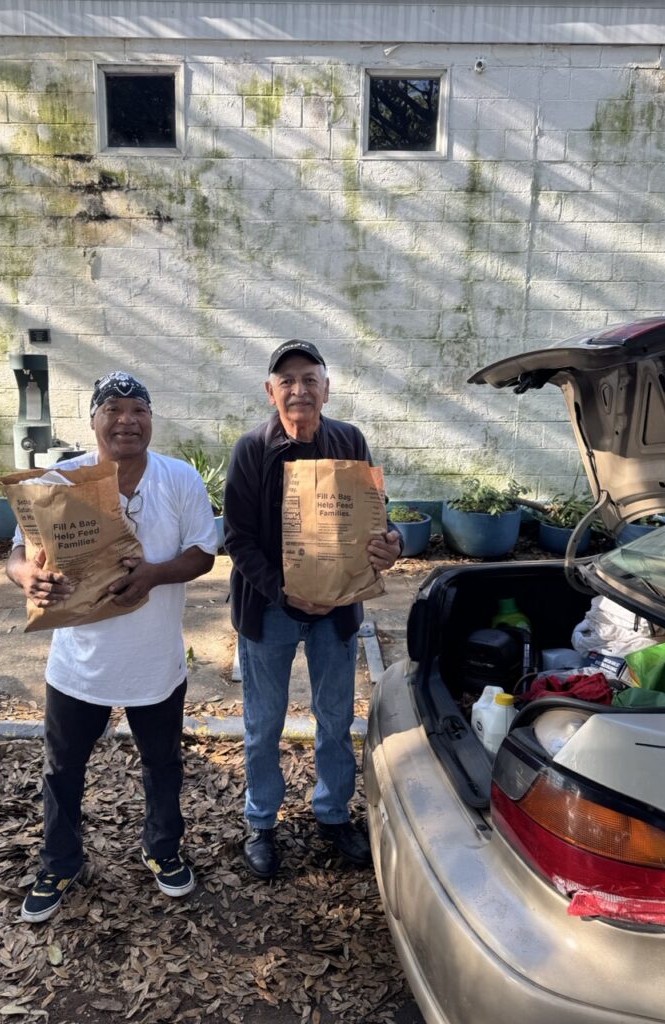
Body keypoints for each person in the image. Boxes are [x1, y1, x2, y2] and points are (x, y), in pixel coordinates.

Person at [6, 371, 217, 923]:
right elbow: (17, 554)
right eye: (113, 410)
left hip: (156, 660)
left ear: (152, 418)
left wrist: (153, 575)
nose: (127, 420)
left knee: (163, 762)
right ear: (94, 420)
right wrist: (29, 578)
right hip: (80, 663)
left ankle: (162, 847)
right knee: (63, 767)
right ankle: (60, 861)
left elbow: (203, 553)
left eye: (139, 409)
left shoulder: (179, 477)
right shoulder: (61, 481)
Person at [223, 341, 401, 879]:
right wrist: (283, 591)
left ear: (326, 387)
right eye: (287, 381)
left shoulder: (350, 441)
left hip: (338, 609)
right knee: (263, 722)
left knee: (334, 718)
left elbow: (375, 519)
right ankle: (261, 822)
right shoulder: (252, 449)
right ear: (270, 390)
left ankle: (331, 814)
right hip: (271, 609)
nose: (298, 389)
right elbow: (237, 539)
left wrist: (391, 543)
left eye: (309, 379)